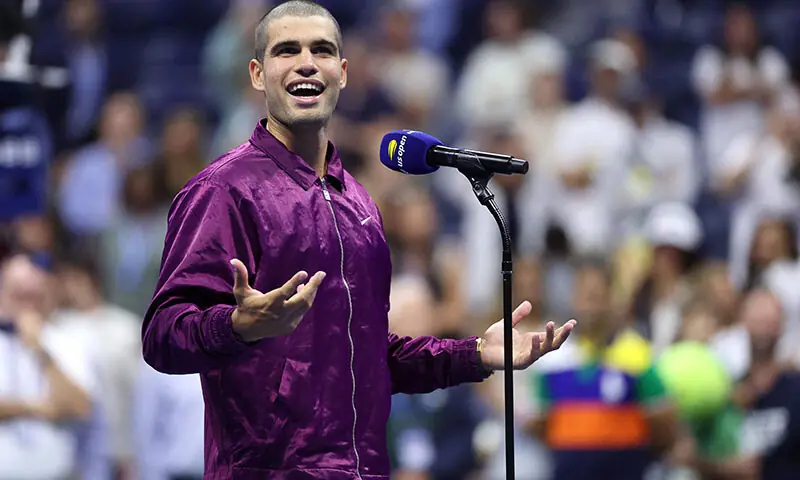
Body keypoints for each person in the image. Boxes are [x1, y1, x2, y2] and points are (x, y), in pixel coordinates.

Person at [140, 1, 577, 478]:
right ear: (258, 74)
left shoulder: (360, 205)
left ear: (342, 73)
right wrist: (238, 325)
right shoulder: (222, 191)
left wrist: (473, 354)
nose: (307, 62)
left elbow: (371, 357)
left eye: (322, 50)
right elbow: (163, 335)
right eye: (287, 50)